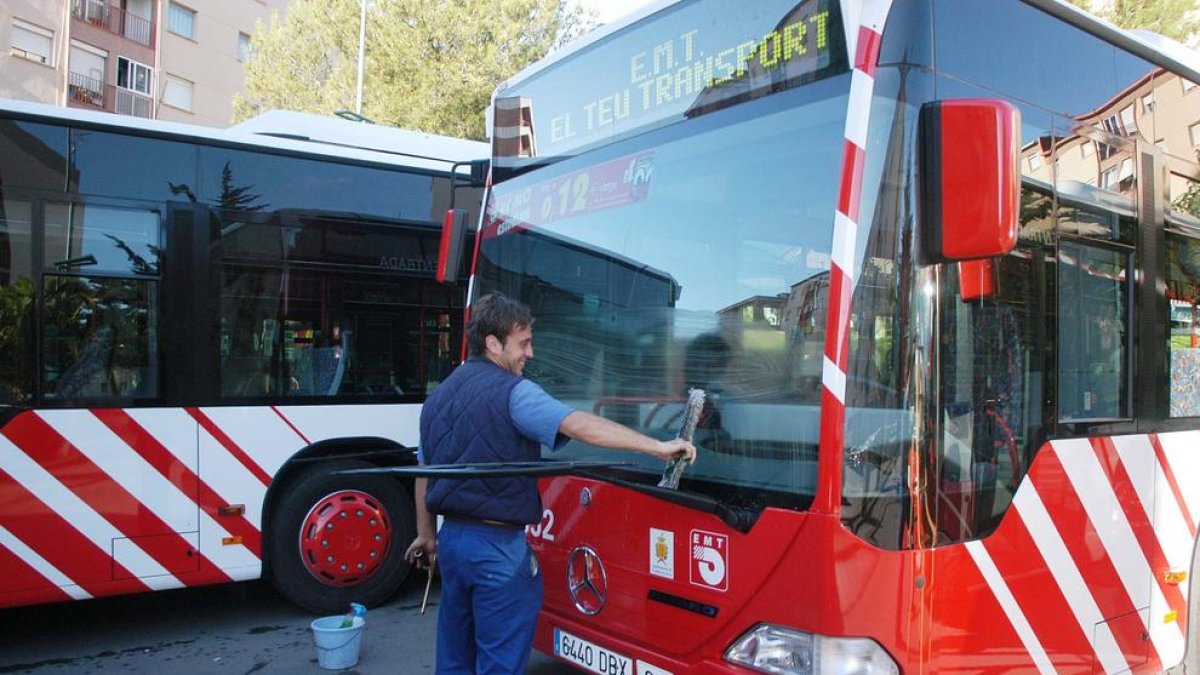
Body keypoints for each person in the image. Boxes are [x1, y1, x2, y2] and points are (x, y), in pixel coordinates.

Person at [403, 293, 696, 675]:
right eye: (523, 343)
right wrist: (657, 446)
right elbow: (577, 423)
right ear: (494, 344)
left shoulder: (437, 399)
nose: (531, 353)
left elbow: (425, 471)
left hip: (453, 544)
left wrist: (426, 535)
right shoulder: (513, 391)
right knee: (499, 662)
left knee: (455, 658)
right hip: (497, 549)